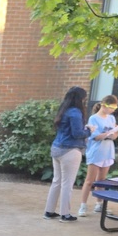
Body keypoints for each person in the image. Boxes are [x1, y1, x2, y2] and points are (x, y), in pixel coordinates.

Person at [45, 86, 92, 223]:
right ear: (80, 98)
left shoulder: (64, 110)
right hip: (70, 150)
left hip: (57, 148)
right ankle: (65, 214)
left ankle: (49, 211)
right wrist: (89, 131)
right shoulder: (76, 113)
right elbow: (77, 133)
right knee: (67, 183)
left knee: (57, 181)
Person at [77, 95, 118, 218]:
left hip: (107, 151)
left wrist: (116, 132)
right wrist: (108, 133)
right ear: (103, 105)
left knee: (101, 181)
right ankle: (83, 205)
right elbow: (95, 136)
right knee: (89, 180)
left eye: (115, 107)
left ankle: (99, 203)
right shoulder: (94, 118)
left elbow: (113, 136)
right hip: (96, 151)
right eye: (111, 107)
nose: (113, 110)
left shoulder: (111, 118)